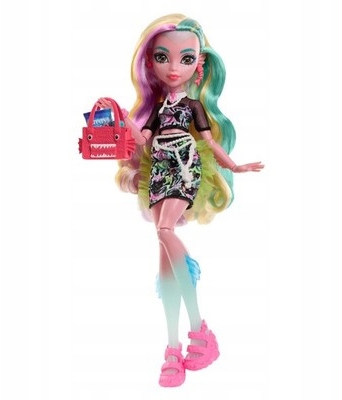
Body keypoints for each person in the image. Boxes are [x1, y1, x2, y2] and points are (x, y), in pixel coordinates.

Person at [97, 13, 264, 387]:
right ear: (150, 62)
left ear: (198, 65)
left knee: (166, 232)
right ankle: (173, 348)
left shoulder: (193, 107)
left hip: (185, 166)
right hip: (157, 169)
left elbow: (209, 142)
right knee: (163, 255)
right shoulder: (158, 110)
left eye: (185, 59)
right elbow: (142, 139)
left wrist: (234, 166)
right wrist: (121, 118)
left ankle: (199, 328)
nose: (173, 68)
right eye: (163, 57)